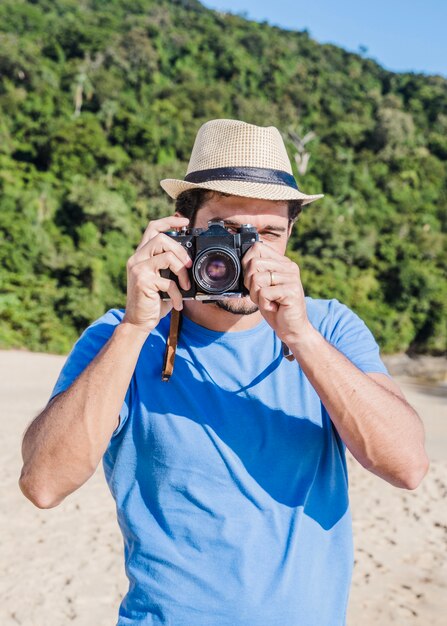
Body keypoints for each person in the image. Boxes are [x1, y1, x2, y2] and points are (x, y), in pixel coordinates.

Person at [19, 119, 429, 626]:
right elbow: (43, 484)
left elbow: (407, 466)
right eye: (228, 232)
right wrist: (135, 326)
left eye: (268, 234)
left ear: (290, 237)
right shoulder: (119, 338)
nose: (247, 254)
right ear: (182, 229)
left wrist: (299, 336)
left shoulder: (329, 328)